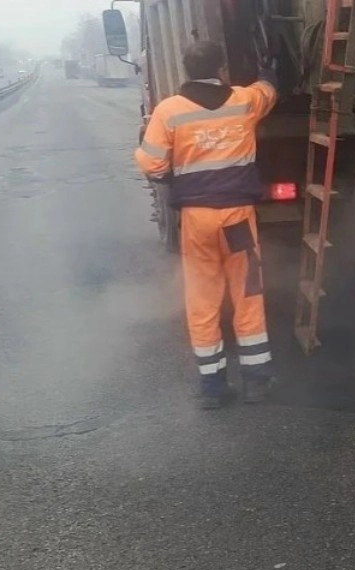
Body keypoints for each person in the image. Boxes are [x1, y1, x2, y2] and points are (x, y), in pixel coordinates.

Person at [135, 42, 279, 409]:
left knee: (202, 299)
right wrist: (267, 70)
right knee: (247, 295)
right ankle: (257, 384)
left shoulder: (168, 111)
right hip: (237, 217)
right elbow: (269, 92)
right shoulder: (245, 101)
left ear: (185, 69)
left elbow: (153, 166)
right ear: (222, 69)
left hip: (198, 220)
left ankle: (213, 387)